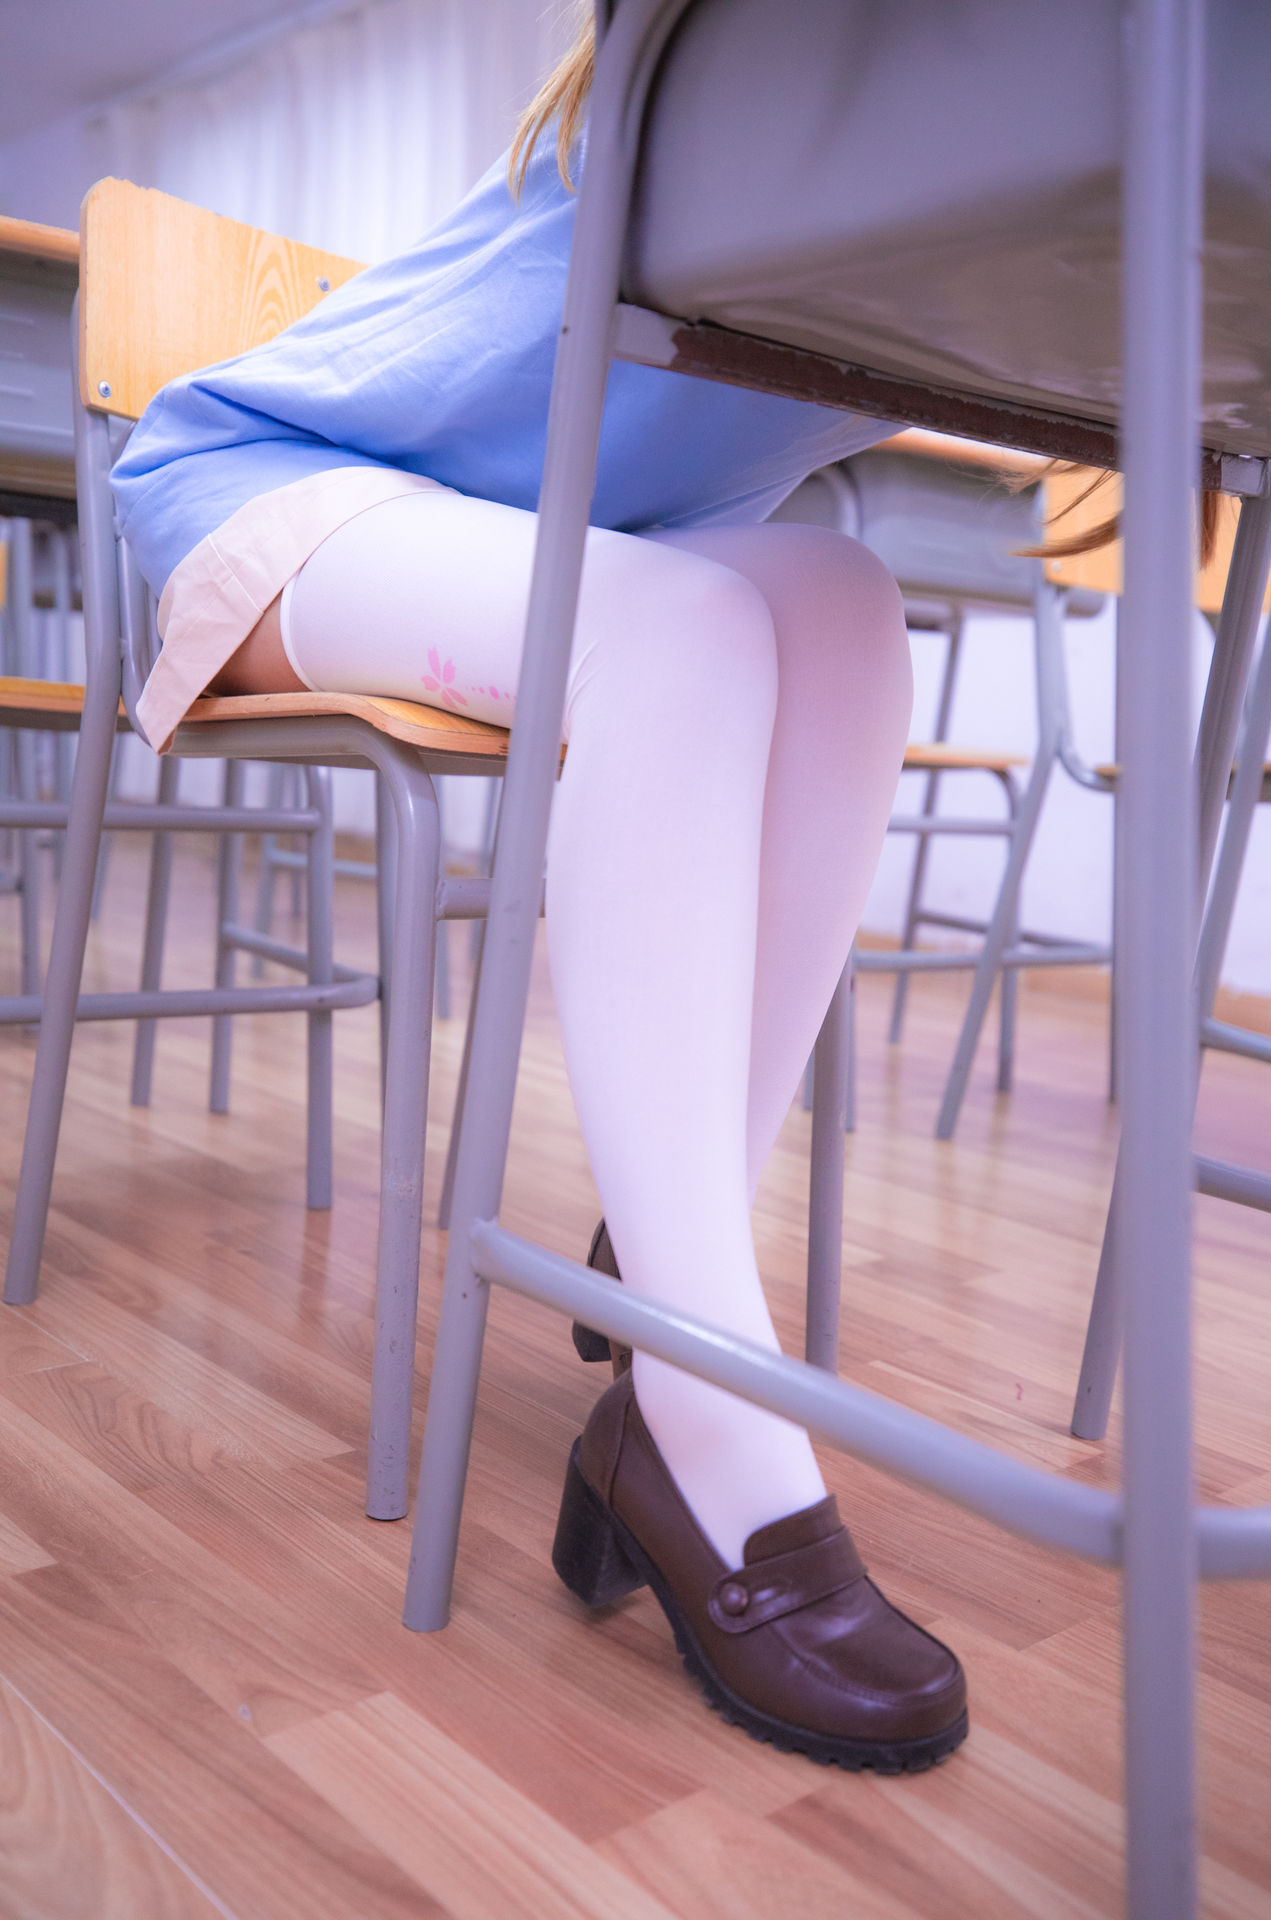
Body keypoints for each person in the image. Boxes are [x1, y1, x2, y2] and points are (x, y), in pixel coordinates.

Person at [112, 9, 968, 1772]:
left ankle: (671, 1262)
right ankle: (705, 1419)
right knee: (679, 632)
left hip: (565, 530)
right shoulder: (799, 65)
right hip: (283, 492)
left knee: (845, 599)